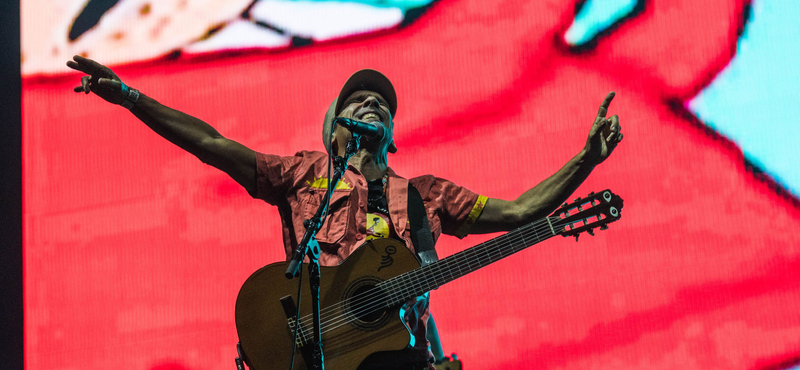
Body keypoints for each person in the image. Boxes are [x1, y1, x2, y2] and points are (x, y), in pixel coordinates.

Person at [66, 55, 623, 370]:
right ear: (334, 131)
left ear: (393, 138)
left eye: (382, 103)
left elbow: (520, 210)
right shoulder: (303, 174)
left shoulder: (424, 194)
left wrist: (585, 161)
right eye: (358, 101)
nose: (373, 103)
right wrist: (134, 98)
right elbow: (212, 144)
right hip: (313, 353)